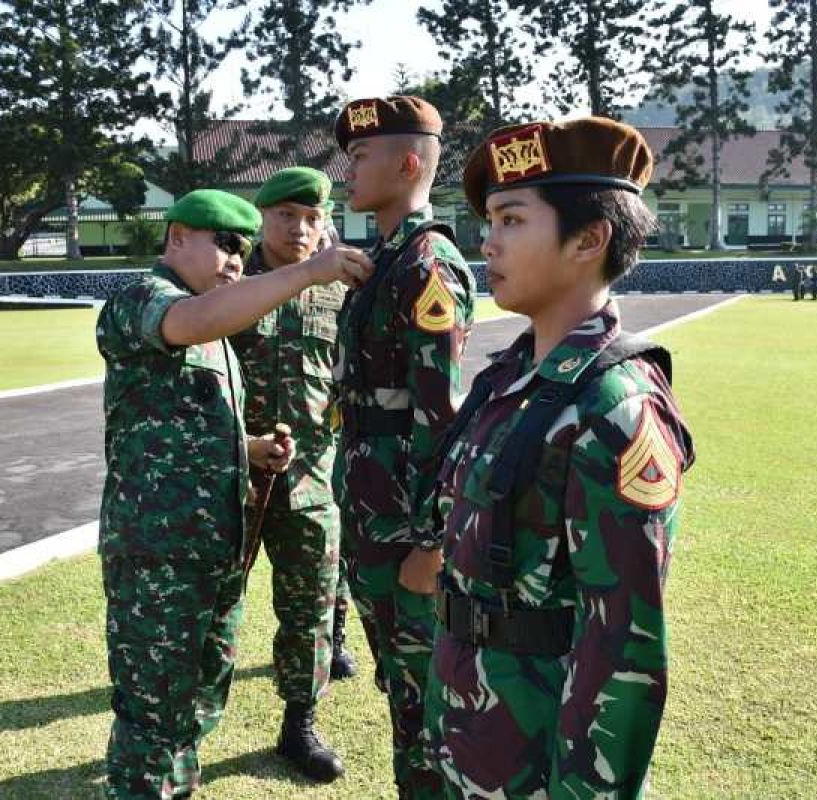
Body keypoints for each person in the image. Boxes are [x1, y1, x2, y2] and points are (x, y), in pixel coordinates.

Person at [423, 117, 696, 798]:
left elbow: (623, 653)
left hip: (538, 756)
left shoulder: (615, 408)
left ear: (589, 239)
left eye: (512, 220)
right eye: (488, 219)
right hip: (470, 729)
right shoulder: (511, 379)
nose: (487, 240)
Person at [95, 189, 371, 799]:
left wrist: (248, 447)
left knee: (198, 695)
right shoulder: (143, 300)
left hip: (215, 541)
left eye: (242, 252)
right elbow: (190, 325)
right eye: (222, 243)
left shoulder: (213, 323)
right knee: (154, 706)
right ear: (176, 238)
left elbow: (189, 417)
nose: (233, 260)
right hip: (159, 550)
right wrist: (309, 270)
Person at [330, 95, 476, 799]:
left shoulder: (426, 265)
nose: (345, 172)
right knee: (402, 686)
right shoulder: (382, 260)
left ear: (409, 162)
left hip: (404, 530)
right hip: (372, 516)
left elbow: (443, 421)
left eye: (360, 158)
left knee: (426, 703)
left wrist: (431, 543)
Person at [228, 167, 357, 783]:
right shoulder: (227, 280)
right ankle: (181, 720)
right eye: (286, 216)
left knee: (308, 607)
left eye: (311, 218)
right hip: (228, 477)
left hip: (310, 476)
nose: (300, 229)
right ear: (263, 218)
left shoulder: (338, 290)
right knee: (210, 602)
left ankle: (298, 722)